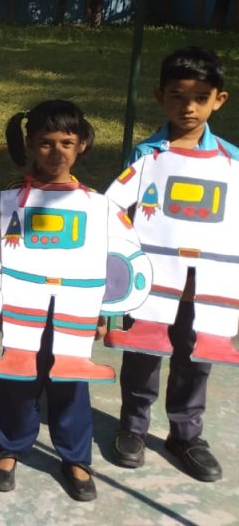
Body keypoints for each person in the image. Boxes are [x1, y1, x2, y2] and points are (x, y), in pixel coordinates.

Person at [0, 100, 148, 502]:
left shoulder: (98, 205)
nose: (56, 152)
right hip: (23, 310)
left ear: (82, 144)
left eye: (67, 142)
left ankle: (75, 456)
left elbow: (121, 258)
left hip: (74, 314)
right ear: (30, 143)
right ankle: (8, 447)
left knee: (71, 381)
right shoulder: (8, 201)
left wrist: (105, 310)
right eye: (46, 143)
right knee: (18, 378)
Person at [104, 45, 239, 482]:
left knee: (196, 358)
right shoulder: (145, 156)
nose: (189, 107)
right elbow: (117, 214)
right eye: (178, 96)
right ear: (160, 96)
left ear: (219, 99)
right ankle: (132, 427)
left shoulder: (233, 162)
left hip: (206, 289)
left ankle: (186, 434)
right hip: (152, 285)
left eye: (200, 97)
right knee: (143, 354)